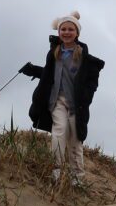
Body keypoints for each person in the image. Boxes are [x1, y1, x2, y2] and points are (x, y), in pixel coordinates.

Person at [20, 11, 105, 184]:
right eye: (63, 29)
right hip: (56, 100)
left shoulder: (84, 56)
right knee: (59, 131)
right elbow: (49, 74)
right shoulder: (54, 53)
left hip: (77, 104)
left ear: (77, 33)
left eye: (70, 29)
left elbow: (91, 81)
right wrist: (33, 70)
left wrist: (86, 97)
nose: (66, 32)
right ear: (58, 32)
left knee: (75, 139)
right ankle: (56, 172)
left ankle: (77, 178)